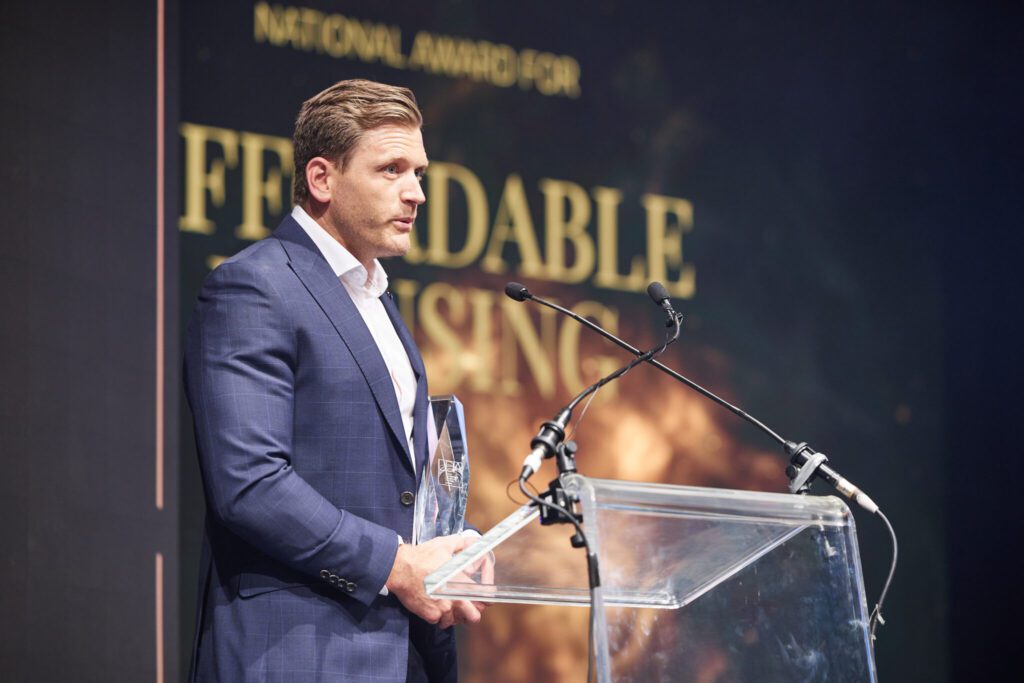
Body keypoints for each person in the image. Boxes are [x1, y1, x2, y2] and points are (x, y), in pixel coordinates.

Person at [184, 79, 485, 683]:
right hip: (298, 652)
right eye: (392, 169)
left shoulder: (377, 300)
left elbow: (395, 488)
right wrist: (396, 565)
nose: (417, 192)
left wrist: (449, 550)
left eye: (419, 172)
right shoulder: (255, 286)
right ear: (322, 179)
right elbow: (251, 485)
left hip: (403, 654)